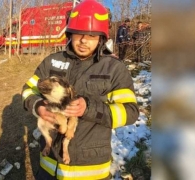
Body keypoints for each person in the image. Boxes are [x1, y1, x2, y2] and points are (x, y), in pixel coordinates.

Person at [21, 0, 139, 179]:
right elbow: (28, 90)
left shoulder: (114, 69)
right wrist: (38, 106)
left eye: (91, 35)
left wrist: (89, 108)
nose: (84, 40)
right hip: (48, 168)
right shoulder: (51, 61)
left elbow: (130, 112)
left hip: (90, 171)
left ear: (101, 38)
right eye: (79, 33)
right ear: (70, 34)